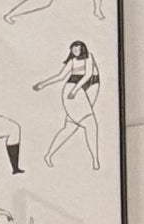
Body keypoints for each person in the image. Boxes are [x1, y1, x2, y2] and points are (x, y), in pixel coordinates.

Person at [37, 38, 103, 168]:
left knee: (70, 127)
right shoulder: (72, 62)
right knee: (91, 125)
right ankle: (95, 160)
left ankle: (48, 155)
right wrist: (43, 84)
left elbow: (89, 74)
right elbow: (60, 76)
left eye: (78, 48)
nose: (76, 50)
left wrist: (76, 90)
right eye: (74, 48)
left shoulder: (89, 56)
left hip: (87, 88)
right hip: (73, 90)